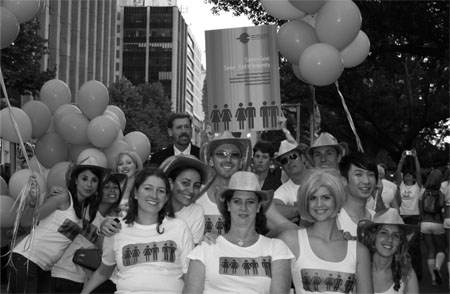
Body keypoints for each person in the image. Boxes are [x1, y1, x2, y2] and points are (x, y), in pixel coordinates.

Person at [81, 168, 194, 294]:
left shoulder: (179, 228)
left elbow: (190, 278)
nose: (154, 195)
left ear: (167, 198)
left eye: (161, 191)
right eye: (147, 188)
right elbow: (103, 271)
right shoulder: (116, 229)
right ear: (135, 192)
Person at [8, 157, 108, 293]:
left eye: (94, 180)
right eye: (84, 178)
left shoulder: (83, 211)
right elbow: (27, 221)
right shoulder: (63, 197)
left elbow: (97, 239)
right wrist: (31, 202)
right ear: (76, 180)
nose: (89, 184)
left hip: (45, 268)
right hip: (25, 261)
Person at [183, 171, 294, 294]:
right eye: (237, 201)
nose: (243, 207)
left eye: (250, 202)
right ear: (228, 205)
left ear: (258, 207)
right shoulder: (205, 249)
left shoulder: (276, 249)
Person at [279, 168, 373, 293]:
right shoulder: (291, 240)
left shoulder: (359, 251)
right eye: (312, 198)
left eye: (326, 197)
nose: (319, 204)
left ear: (337, 199)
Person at [50, 173, 127, 293]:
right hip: (60, 272)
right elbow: (61, 234)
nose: (112, 190)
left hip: (83, 279)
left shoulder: (111, 222)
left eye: (116, 187)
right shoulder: (81, 210)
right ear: (97, 191)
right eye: (106, 187)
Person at [196, 131, 252, 236]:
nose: (228, 159)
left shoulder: (250, 196)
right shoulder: (196, 194)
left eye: (234, 155)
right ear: (211, 160)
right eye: (221, 154)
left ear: (240, 162)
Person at [160, 154, 216, 244]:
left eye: (196, 186)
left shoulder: (196, 211)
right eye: (185, 183)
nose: (191, 190)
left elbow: (191, 251)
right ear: (170, 183)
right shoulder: (154, 209)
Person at [357, 219, 420, 293]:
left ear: (400, 243)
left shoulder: (407, 274)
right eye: (384, 233)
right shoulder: (356, 268)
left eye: (395, 235)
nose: (390, 239)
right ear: (373, 237)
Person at [395, 149, 422, 279]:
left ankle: (417, 273)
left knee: (415, 246)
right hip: (402, 218)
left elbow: (418, 172)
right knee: (401, 245)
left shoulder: (417, 187)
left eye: (410, 175)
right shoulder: (400, 186)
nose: (408, 176)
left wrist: (415, 158)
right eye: (406, 175)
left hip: (413, 218)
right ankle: (401, 270)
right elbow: (397, 172)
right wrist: (402, 159)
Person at [420, 169, 446, 285]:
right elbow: (441, 205)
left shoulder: (424, 191)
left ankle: (434, 279)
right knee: (441, 249)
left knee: (430, 250)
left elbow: (420, 205)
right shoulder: (440, 191)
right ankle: (437, 268)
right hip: (437, 222)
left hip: (425, 223)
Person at [273, 140, 309, 223]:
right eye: (284, 161)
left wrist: (292, 212)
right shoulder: (284, 190)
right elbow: (274, 210)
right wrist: (304, 209)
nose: (289, 162)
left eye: (293, 156)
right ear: (282, 166)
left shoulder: (320, 178)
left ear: (303, 157)